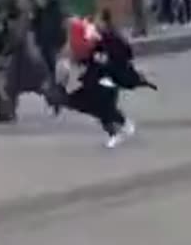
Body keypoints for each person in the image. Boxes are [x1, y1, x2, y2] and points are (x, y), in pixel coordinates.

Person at [59, 13, 153, 148]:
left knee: (103, 104)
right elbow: (83, 53)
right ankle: (122, 124)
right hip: (94, 76)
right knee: (83, 102)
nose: (96, 24)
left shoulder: (111, 38)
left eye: (99, 21)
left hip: (108, 77)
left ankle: (117, 130)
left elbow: (122, 57)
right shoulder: (92, 36)